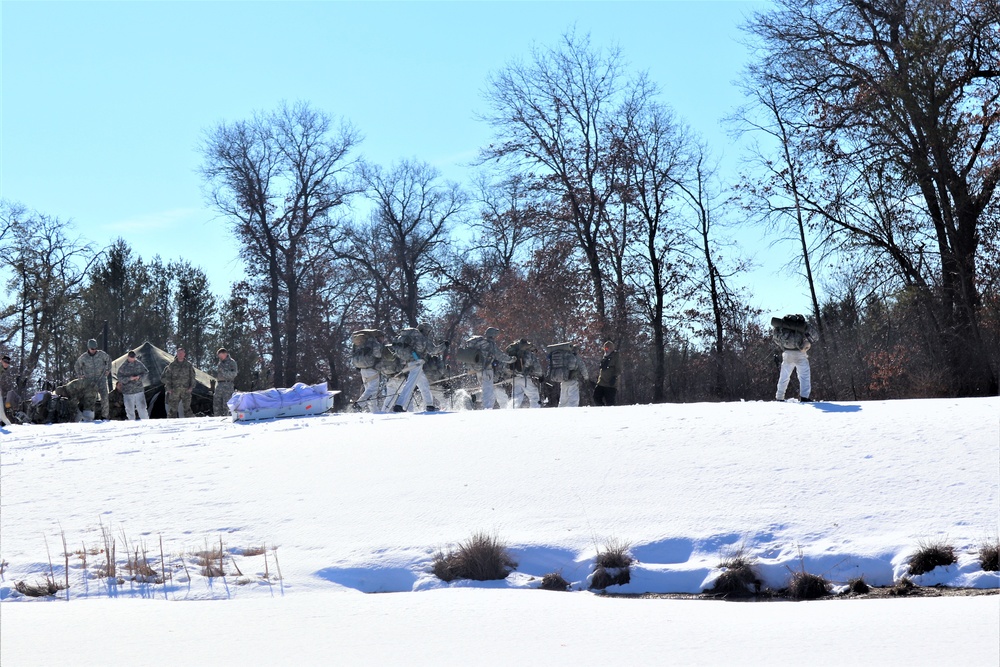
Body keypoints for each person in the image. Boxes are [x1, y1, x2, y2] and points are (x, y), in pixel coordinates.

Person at [391, 323, 447, 413]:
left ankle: (430, 405)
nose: (429, 333)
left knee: (424, 385)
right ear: (426, 330)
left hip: (412, 362)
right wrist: (444, 345)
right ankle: (399, 405)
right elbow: (433, 350)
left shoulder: (413, 337)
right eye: (428, 331)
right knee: (410, 384)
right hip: (417, 363)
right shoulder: (423, 338)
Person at [463, 327, 514, 410]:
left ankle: (473, 398)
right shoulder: (490, 344)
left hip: (478, 370)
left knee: (488, 390)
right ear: (493, 335)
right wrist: (511, 360)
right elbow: (499, 355)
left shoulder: (481, 344)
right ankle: (487, 408)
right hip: (487, 370)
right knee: (488, 390)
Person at [772, 314, 816, 402]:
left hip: (787, 353)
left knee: (784, 377)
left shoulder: (782, 326)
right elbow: (815, 336)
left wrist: (783, 347)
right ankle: (804, 397)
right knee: (804, 376)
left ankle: (779, 397)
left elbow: (776, 339)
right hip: (800, 353)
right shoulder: (802, 325)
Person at [74, 339, 111, 420]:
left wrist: (108, 370)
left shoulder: (102, 354)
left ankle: (105, 416)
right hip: (90, 381)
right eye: (92, 349)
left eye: (95, 348)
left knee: (105, 397)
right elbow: (77, 366)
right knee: (90, 399)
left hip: (101, 379)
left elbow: (109, 360)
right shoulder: (83, 357)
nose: (94, 350)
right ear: (88, 348)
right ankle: (90, 417)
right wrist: (80, 375)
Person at [350, 330, 385, 412]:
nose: (383, 339)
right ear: (378, 336)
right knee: (373, 390)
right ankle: (359, 404)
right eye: (382, 337)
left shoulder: (359, 343)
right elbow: (378, 354)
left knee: (369, 391)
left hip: (362, 369)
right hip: (372, 369)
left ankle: (374, 411)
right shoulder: (374, 343)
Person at [547, 342, 588, 407]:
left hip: (563, 379)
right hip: (572, 380)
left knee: (563, 399)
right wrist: (586, 378)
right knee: (573, 399)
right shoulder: (575, 357)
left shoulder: (564, 356)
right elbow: (583, 368)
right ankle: (572, 411)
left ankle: (561, 410)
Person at [506, 338, 543, 409]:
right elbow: (537, 366)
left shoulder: (513, 352)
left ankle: (511, 409)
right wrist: (540, 375)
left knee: (516, 397)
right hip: (524, 377)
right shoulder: (529, 354)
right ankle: (535, 409)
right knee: (533, 394)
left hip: (514, 378)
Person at [161, 347, 196, 418]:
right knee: (172, 410)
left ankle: (191, 422)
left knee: (187, 409)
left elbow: (192, 377)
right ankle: (171, 423)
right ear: (176, 354)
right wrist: (169, 388)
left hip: (186, 390)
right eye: (179, 353)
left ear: (184, 354)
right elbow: (167, 378)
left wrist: (191, 387)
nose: (180, 355)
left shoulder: (188, 365)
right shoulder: (172, 365)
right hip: (174, 391)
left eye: (182, 353)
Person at [116, 350, 149, 420]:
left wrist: (139, 377)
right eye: (131, 357)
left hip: (138, 390)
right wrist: (129, 378)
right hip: (128, 392)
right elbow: (119, 378)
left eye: (133, 357)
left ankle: (146, 422)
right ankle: (131, 423)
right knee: (129, 410)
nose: (132, 359)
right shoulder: (123, 366)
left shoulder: (139, 364)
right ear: (128, 357)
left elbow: (146, 373)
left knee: (142, 408)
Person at [593, 340, 622, 406]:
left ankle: (609, 411)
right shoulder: (605, 356)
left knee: (610, 402)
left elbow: (618, 369)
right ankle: (602, 409)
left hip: (610, 384)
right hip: (601, 382)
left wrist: (614, 377)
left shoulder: (616, 356)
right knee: (596, 398)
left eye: (607, 348)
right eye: (605, 348)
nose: (606, 350)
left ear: (611, 348)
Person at [212, 347, 239, 416]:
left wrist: (223, 372)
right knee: (216, 403)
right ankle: (217, 417)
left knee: (227, 403)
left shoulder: (232, 362)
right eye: (219, 356)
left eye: (221, 356)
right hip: (219, 385)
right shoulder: (220, 363)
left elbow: (234, 374)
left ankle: (228, 417)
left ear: (225, 354)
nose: (220, 358)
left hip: (228, 385)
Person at [1, 354, 20, 426]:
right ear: (1, 361)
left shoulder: (2, 369)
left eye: (8, 362)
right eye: (5, 361)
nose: (6, 364)